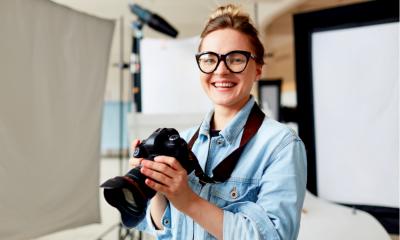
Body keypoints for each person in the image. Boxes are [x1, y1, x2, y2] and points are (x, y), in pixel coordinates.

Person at [129, 4, 307, 240]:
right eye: (210, 59)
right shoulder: (183, 141)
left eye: (235, 59)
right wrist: (157, 185)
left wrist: (189, 201)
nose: (221, 71)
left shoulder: (281, 146)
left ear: (258, 69)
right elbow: (166, 230)